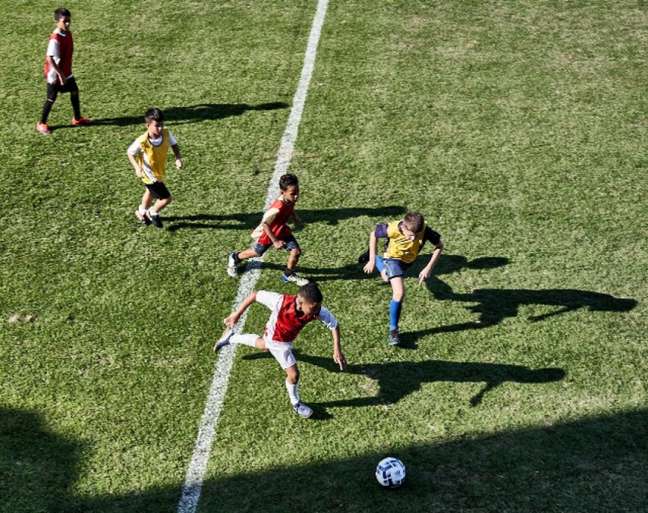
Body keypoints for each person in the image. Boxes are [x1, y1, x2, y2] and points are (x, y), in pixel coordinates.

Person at [214, 282, 346, 418]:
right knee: (293, 375)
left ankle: (231, 337)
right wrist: (237, 314)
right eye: (313, 308)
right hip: (277, 341)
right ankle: (296, 403)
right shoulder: (279, 301)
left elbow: (334, 325)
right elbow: (255, 295)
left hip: (283, 339)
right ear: (300, 302)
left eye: (318, 307)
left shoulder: (316, 310)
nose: (317, 312)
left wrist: (337, 349)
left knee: (262, 345)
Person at [362, 212, 444, 346]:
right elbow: (373, 234)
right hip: (392, 259)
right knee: (399, 293)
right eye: (411, 235)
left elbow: (440, 246)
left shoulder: (424, 230)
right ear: (404, 227)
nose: (413, 239)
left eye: (416, 236)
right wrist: (371, 260)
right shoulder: (392, 228)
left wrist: (428, 268)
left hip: (407, 262)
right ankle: (393, 330)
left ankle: (378, 261)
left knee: (385, 278)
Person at [227, 173, 308, 285]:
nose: (296, 196)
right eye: (293, 194)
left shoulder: (289, 200)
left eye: (297, 192)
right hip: (269, 234)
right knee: (257, 252)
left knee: (296, 251)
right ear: (282, 192)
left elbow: (290, 209)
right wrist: (275, 241)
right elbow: (265, 224)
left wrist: (296, 219)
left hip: (282, 230)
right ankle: (235, 257)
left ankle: (288, 274)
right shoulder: (277, 208)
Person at [36, 7, 91, 135]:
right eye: (64, 21)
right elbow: (50, 58)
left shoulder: (67, 33)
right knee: (51, 98)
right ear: (57, 21)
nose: (67, 23)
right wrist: (60, 75)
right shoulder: (55, 38)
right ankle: (41, 123)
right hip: (55, 74)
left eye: (69, 21)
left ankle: (77, 119)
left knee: (74, 91)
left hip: (66, 72)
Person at [127, 107, 183, 228]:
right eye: (157, 126)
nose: (160, 128)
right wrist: (137, 168)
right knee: (166, 199)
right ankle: (152, 212)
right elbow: (130, 152)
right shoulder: (142, 141)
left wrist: (178, 158)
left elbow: (174, 144)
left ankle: (141, 212)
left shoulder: (166, 133)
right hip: (149, 175)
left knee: (150, 192)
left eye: (162, 125)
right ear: (147, 125)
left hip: (159, 171)